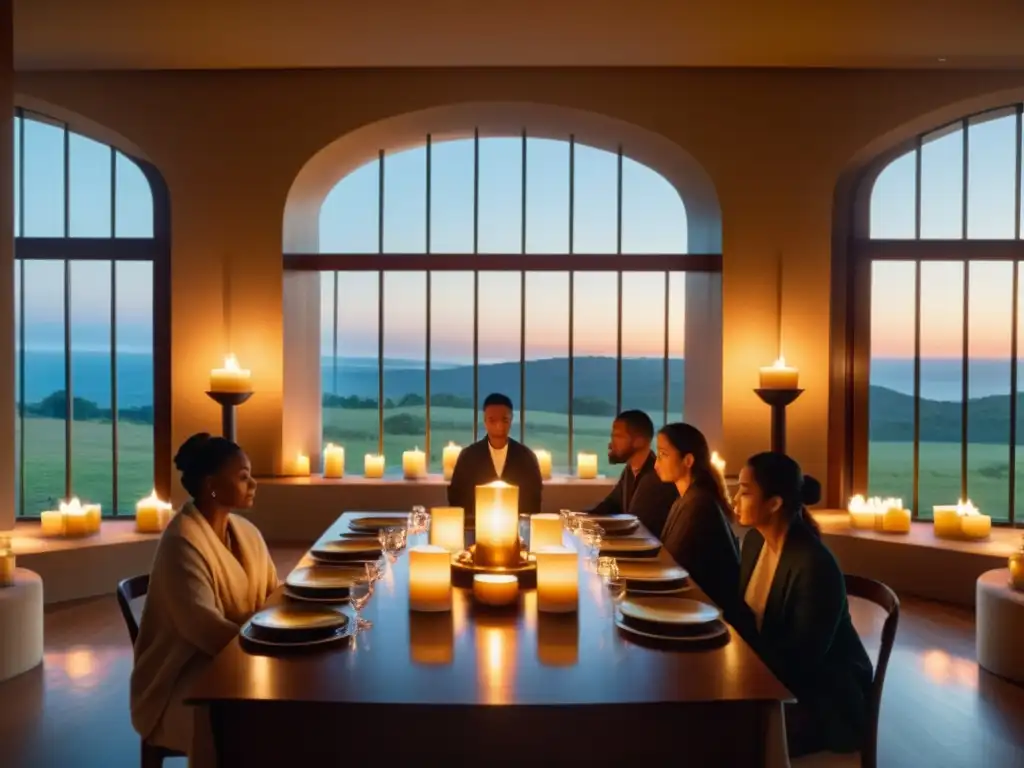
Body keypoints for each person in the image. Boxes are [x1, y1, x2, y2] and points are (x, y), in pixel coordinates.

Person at [130, 433, 278, 756]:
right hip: (181, 680)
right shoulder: (182, 543)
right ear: (212, 485)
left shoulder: (247, 534)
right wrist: (273, 646)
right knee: (233, 716)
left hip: (238, 659)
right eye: (242, 477)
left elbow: (273, 597)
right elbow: (206, 630)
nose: (253, 483)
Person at [734, 452, 873, 758]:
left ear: (774, 503)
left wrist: (737, 677)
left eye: (745, 492)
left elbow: (802, 660)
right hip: (772, 678)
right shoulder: (754, 542)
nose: (735, 500)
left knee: (724, 735)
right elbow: (744, 616)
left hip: (824, 699)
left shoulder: (813, 564)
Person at [654, 422, 742, 622]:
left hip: (707, 616)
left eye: (663, 454)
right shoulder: (687, 498)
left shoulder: (699, 503)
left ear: (688, 460)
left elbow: (671, 566)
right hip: (692, 608)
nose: (656, 464)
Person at [447, 392, 543, 517]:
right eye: (492, 420)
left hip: (516, 528)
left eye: (504, 420)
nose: (499, 426)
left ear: (511, 420)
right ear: (485, 420)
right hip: (476, 527)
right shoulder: (468, 457)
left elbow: (533, 502)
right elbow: (457, 499)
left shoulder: (526, 457)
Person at [585, 409, 678, 537]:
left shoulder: (655, 477)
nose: (611, 444)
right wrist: (580, 518)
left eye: (618, 436)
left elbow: (634, 525)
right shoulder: (630, 470)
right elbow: (611, 505)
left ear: (639, 441)